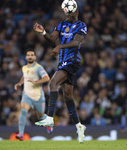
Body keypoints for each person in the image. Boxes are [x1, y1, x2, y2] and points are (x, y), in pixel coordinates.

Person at [33, 1, 87, 143]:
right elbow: (52, 38)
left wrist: (60, 47)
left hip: (72, 60)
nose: (68, 16)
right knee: (68, 96)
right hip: (63, 61)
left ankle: (49, 119)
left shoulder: (81, 26)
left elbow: (76, 42)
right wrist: (43, 32)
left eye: (70, 13)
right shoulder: (62, 24)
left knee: (53, 83)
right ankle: (79, 127)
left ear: (76, 12)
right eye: (66, 14)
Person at [14, 49, 51, 141]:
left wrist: (36, 82)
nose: (30, 57)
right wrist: (19, 83)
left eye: (32, 55)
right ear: (26, 57)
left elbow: (47, 78)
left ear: (35, 57)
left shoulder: (39, 68)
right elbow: (24, 76)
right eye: (28, 55)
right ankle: (21, 134)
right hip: (26, 95)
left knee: (41, 116)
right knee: (23, 111)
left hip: (38, 96)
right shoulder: (24, 68)